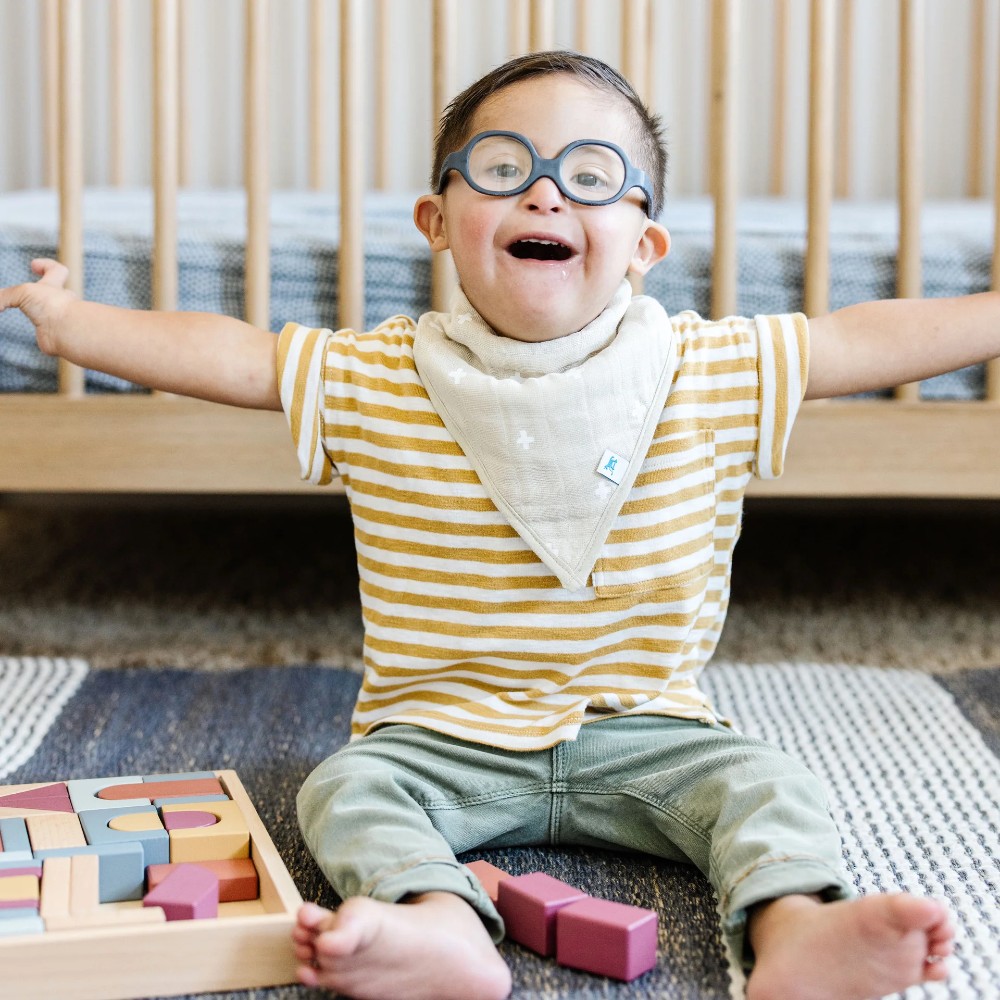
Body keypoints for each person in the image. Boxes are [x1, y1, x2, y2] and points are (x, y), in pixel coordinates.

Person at [5, 48, 994, 1000]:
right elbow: (234, 357)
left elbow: (861, 337)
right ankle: (436, 916)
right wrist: (77, 324)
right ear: (438, 219)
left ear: (646, 245)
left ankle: (795, 927)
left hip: (646, 729)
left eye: (591, 175)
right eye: (503, 166)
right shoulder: (380, 375)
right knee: (341, 791)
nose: (546, 192)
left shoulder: (708, 368)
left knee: (770, 785)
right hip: (440, 738)